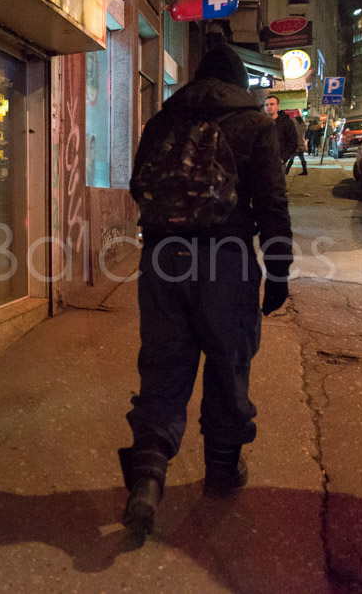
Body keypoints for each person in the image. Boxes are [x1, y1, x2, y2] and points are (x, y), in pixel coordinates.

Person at [121, 44, 292, 540]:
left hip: (161, 261)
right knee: (227, 363)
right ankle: (221, 471)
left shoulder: (161, 121)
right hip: (226, 263)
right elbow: (273, 205)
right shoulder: (254, 125)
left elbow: (139, 186)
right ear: (239, 82)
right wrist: (278, 271)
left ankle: (148, 480)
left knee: (163, 369)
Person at [265, 96, 300, 169]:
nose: (269, 107)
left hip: (278, 163)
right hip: (262, 163)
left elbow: (293, 142)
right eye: (266, 105)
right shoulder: (260, 122)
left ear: (278, 106)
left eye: (272, 104)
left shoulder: (286, 122)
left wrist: (283, 159)